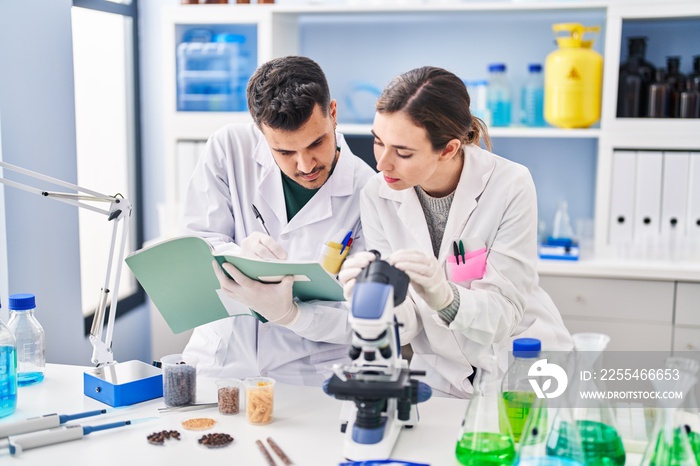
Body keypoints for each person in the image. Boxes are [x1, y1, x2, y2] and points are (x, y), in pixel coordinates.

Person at [339, 66, 573, 398]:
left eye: (403, 152)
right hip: (444, 378)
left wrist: (446, 298)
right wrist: (370, 301)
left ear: (448, 149)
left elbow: (504, 312)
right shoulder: (377, 194)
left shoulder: (510, 185)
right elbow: (406, 324)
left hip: (524, 367)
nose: (382, 164)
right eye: (378, 142)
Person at [181, 56, 375, 385]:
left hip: (309, 372)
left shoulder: (368, 192)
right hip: (224, 359)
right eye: (284, 152)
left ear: (333, 114)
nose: (305, 164)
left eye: (317, 142)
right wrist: (241, 256)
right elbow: (199, 243)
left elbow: (364, 318)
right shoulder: (229, 148)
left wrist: (290, 314)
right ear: (261, 132)